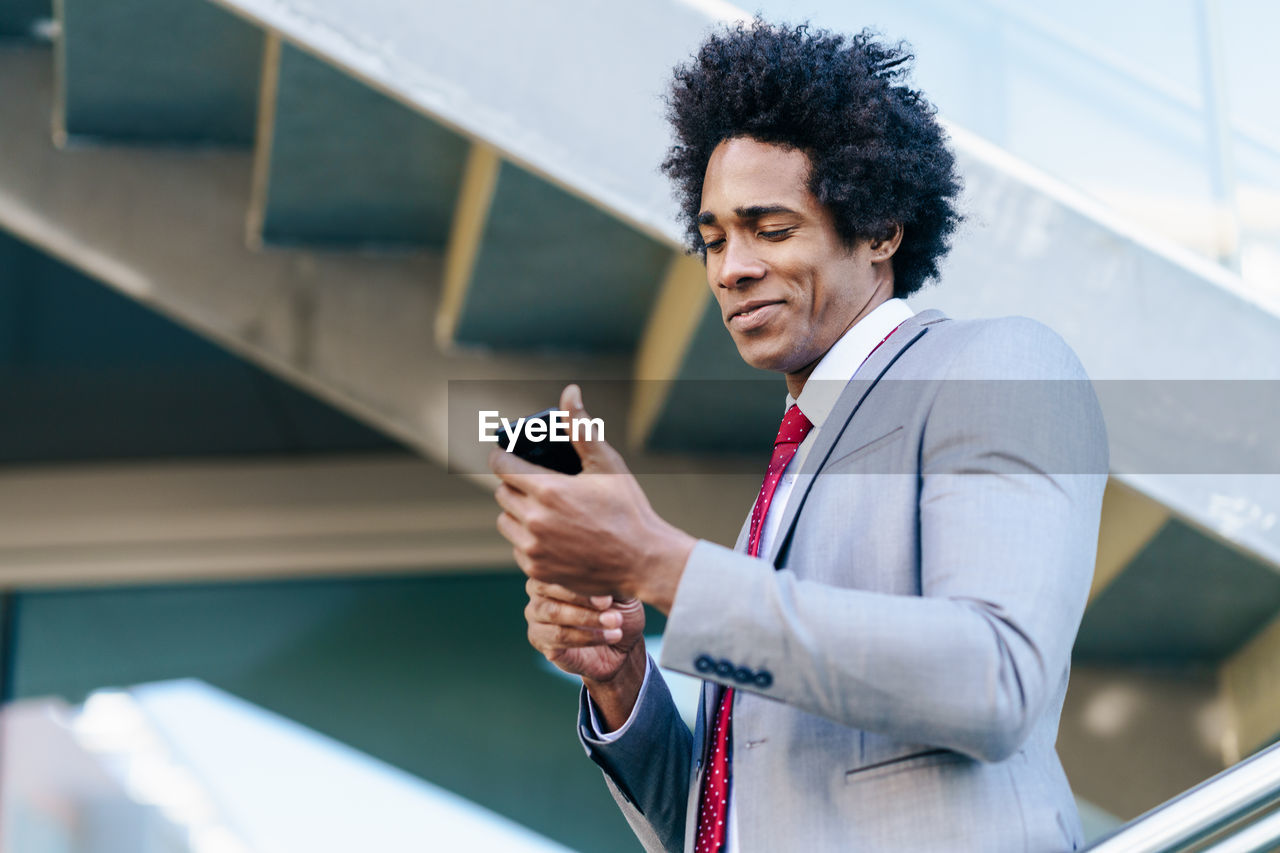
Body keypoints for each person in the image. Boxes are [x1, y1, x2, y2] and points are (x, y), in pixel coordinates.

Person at [490, 21, 1108, 853]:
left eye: (769, 228)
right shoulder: (780, 493)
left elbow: (996, 675)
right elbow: (731, 824)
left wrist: (660, 563)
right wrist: (623, 677)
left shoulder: (995, 365)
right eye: (713, 239)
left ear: (881, 226)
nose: (728, 268)